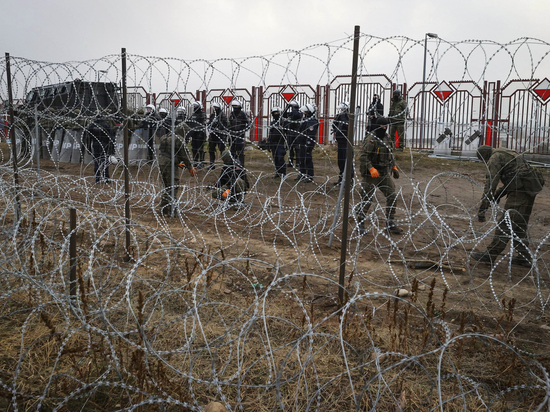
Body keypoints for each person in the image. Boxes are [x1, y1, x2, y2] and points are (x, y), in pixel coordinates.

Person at [471, 145, 544, 267]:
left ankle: (490, 255)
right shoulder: (504, 152)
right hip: (528, 188)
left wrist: (483, 207)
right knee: (518, 226)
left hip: (520, 192)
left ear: (484, 157)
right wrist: (498, 195)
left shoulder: (494, 158)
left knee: (506, 223)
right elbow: (513, 178)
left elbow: (490, 184)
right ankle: (524, 257)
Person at [356, 117, 403, 235]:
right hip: (371, 175)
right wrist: (371, 168)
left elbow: (390, 154)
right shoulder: (372, 139)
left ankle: (390, 222)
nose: (384, 128)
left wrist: (394, 167)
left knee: (392, 196)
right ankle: (360, 223)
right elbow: (363, 156)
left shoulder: (387, 138)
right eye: (382, 126)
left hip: (383, 173)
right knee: (366, 199)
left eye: (385, 126)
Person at [157, 110, 197, 216]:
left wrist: (177, 162)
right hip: (169, 164)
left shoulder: (166, 137)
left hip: (161, 162)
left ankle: (163, 208)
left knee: (167, 186)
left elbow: (168, 152)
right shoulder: (178, 139)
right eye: (185, 133)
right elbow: (184, 155)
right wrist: (190, 167)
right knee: (173, 186)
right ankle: (171, 210)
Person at [87, 113, 115, 184]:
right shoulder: (106, 125)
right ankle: (106, 179)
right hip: (105, 145)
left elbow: (88, 138)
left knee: (97, 162)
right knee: (105, 162)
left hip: (95, 144)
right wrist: (112, 149)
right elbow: (111, 138)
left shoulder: (92, 126)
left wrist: (89, 148)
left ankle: (97, 179)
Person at [296, 103, 318, 183]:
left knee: (307, 158)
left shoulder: (312, 121)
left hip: (308, 142)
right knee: (302, 158)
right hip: (302, 141)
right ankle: (302, 173)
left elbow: (310, 133)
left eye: (305, 112)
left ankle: (310, 175)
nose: (303, 113)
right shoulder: (305, 119)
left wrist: (308, 142)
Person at [332, 102, 351, 186]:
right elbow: (334, 125)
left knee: (347, 160)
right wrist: (337, 118)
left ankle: (349, 180)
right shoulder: (340, 117)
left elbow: (348, 127)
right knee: (340, 161)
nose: (341, 111)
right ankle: (341, 178)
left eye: (343, 109)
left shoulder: (349, 117)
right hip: (340, 140)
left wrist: (343, 120)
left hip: (346, 141)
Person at [207, 102, 229, 170]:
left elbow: (225, 125)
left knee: (222, 150)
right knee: (211, 150)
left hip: (221, 136)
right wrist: (209, 128)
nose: (215, 109)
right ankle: (212, 164)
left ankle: (225, 165)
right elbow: (209, 123)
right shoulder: (213, 115)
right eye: (214, 108)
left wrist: (219, 129)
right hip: (213, 135)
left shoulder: (223, 116)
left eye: (216, 108)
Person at [228, 100, 249, 167]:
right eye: (233, 106)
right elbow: (229, 123)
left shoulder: (243, 114)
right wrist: (229, 130)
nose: (234, 107)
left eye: (236, 106)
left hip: (240, 135)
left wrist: (243, 130)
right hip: (232, 135)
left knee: (240, 151)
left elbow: (249, 123)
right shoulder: (232, 114)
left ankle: (241, 165)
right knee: (232, 151)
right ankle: (233, 164)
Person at [267, 106, 287, 178]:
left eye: (277, 113)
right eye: (274, 113)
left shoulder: (283, 122)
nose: (275, 114)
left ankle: (283, 172)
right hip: (273, 142)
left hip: (280, 142)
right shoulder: (273, 122)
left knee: (280, 157)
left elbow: (287, 132)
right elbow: (270, 133)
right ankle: (278, 172)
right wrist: (269, 143)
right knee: (275, 158)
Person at [282, 100, 303, 169]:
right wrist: (287, 107)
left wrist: (293, 108)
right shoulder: (291, 113)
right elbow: (283, 115)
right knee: (290, 148)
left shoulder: (299, 113)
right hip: (290, 132)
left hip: (296, 132)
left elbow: (296, 115)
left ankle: (298, 162)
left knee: (297, 148)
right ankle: (290, 162)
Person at [186, 101, 207, 168]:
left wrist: (198, 130)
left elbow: (202, 124)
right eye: (194, 106)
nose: (194, 107)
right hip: (194, 134)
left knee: (200, 149)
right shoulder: (193, 115)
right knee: (194, 149)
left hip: (200, 134)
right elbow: (189, 123)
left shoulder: (202, 114)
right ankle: (195, 162)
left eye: (196, 106)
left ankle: (202, 162)